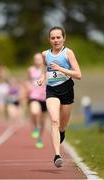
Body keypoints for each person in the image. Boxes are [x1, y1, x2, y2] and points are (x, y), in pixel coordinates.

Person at [37, 26, 82, 167]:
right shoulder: (45, 54)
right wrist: (42, 78)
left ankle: (62, 132)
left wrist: (60, 68)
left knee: (63, 124)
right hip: (52, 91)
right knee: (54, 121)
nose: (56, 40)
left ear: (64, 38)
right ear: (49, 40)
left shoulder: (68, 53)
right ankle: (57, 155)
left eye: (58, 37)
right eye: (53, 38)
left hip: (67, 89)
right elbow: (45, 68)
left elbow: (78, 75)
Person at [27, 53, 47, 149]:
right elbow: (28, 81)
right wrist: (28, 86)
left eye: (39, 59)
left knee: (43, 121)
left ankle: (40, 138)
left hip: (45, 97)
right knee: (35, 112)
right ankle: (35, 127)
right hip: (34, 95)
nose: (37, 60)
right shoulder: (30, 70)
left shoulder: (47, 69)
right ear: (33, 60)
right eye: (36, 59)